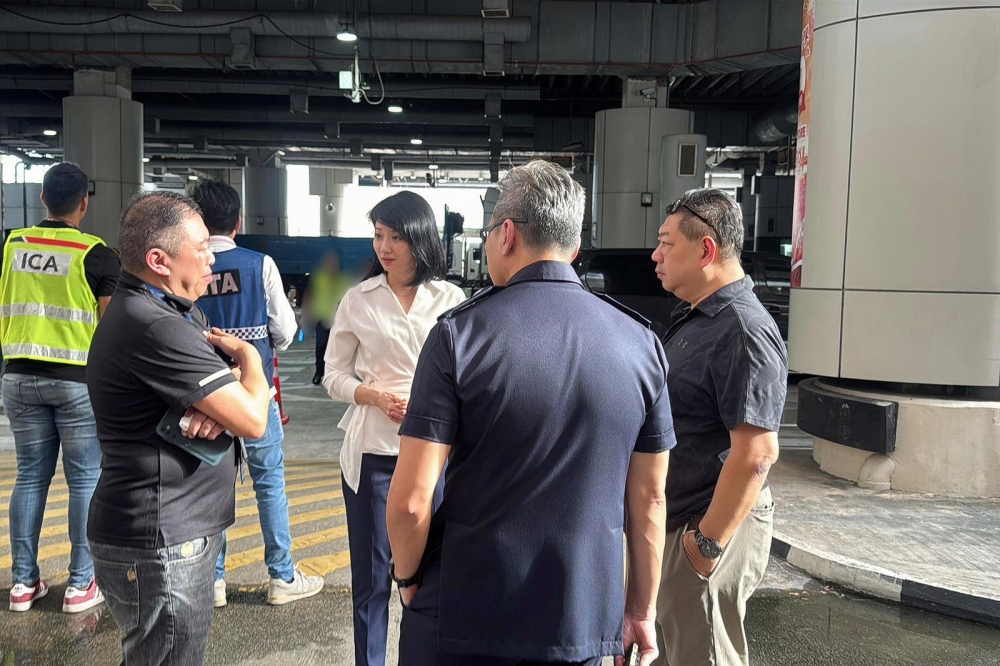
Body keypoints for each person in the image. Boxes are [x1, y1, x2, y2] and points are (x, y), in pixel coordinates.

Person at [386, 160, 675, 666]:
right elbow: (649, 500)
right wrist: (640, 610)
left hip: (463, 614)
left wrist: (408, 579)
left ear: (507, 234)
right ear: (574, 248)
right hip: (581, 623)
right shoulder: (641, 344)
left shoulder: (459, 336)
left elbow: (411, 500)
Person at [86, 191, 270, 666]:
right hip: (161, 540)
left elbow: (225, 400)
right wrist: (251, 359)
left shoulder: (176, 311)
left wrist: (220, 401)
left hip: (169, 533)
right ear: (158, 260)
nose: (212, 256)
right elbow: (251, 419)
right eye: (201, 247)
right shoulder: (154, 325)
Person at [323, 191, 466, 666]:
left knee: (436, 572)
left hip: (436, 454)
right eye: (379, 236)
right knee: (371, 582)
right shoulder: (357, 298)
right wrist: (373, 396)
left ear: (420, 240)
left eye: (396, 237)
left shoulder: (451, 299)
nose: (384, 247)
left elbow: (467, 374)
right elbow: (333, 374)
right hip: (373, 455)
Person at [650, 189, 788, 666]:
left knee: (702, 655)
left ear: (705, 250)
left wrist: (705, 546)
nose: (656, 254)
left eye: (667, 243)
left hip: (707, 528)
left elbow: (756, 454)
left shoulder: (742, 330)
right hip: (681, 519)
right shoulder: (698, 319)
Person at [189, 180, 324, 608]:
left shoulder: (187, 266)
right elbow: (284, 331)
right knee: (269, 483)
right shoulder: (258, 264)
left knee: (211, 487)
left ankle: (213, 580)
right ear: (239, 222)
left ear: (195, 219)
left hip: (204, 399)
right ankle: (281, 577)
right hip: (254, 395)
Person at [1, 162, 119, 614]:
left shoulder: (12, 245)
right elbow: (110, 329)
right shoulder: (97, 254)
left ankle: (22, 584)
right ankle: (80, 584)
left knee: (30, 476)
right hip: (75, 381)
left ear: (44, 199)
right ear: (84, 203)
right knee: (84, 479)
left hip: (17, 376)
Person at [305, 250, 351, 385]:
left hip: (340, 319)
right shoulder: (318, 277)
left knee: (340, 348)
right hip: (322, 317)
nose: (331, 264)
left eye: (333, 262)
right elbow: (311, 295)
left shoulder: (345, 278)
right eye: (328, 262)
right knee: (321, 346)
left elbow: (350, 297)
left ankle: (338, 375)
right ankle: (319, 372)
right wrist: (306, 314)